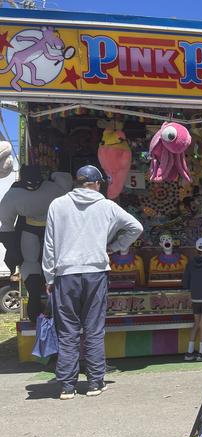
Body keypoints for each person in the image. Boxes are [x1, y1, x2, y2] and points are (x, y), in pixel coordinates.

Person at [42, 165, 143, 400]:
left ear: (77, 183)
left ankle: (67, 386)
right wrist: (114, 247)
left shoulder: (57, 205)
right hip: (95, 272)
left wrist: (49, 276)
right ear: (97, 184)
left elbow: (49, 245)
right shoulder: (106, 206)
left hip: (65, 274)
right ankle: (95, 382)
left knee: (67, 331)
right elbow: (135, 228)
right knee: (93, 329)